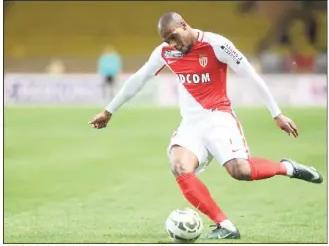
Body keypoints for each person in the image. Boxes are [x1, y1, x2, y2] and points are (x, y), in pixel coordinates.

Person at [89, 13, 323, 240]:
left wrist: (276, 113)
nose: (172, 44)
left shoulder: (217, 44)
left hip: (219, 118)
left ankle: (286, 167)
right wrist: (109, 111)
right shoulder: (165, 52)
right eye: (166, 40)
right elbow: (138, 79)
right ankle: (225, 225)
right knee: (180, 166)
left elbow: (250, 74)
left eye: (173, 36)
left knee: (241, 171)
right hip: (191, 125)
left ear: (184, 25)